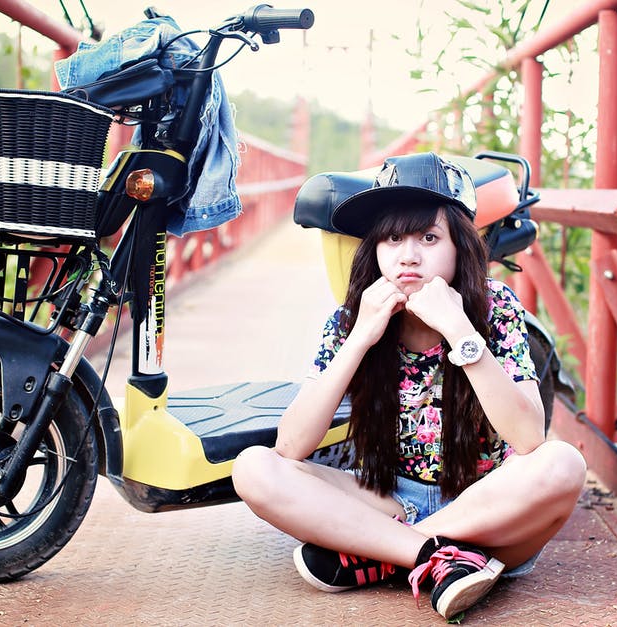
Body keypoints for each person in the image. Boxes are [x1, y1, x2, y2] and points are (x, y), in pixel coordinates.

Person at [231, 152, 586, 620]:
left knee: (563, 463)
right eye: (393, 238)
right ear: (374, 248)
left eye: (429, 237)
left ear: (460, 246)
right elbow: (291, 446)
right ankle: (437, 559)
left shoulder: (495, 307)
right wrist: (359, 338)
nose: (408, 255)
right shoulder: (351, 318)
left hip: (486, 506)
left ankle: (381, 555)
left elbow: (528, 439)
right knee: (254, 468)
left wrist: (460, 331)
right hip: (387, 500)